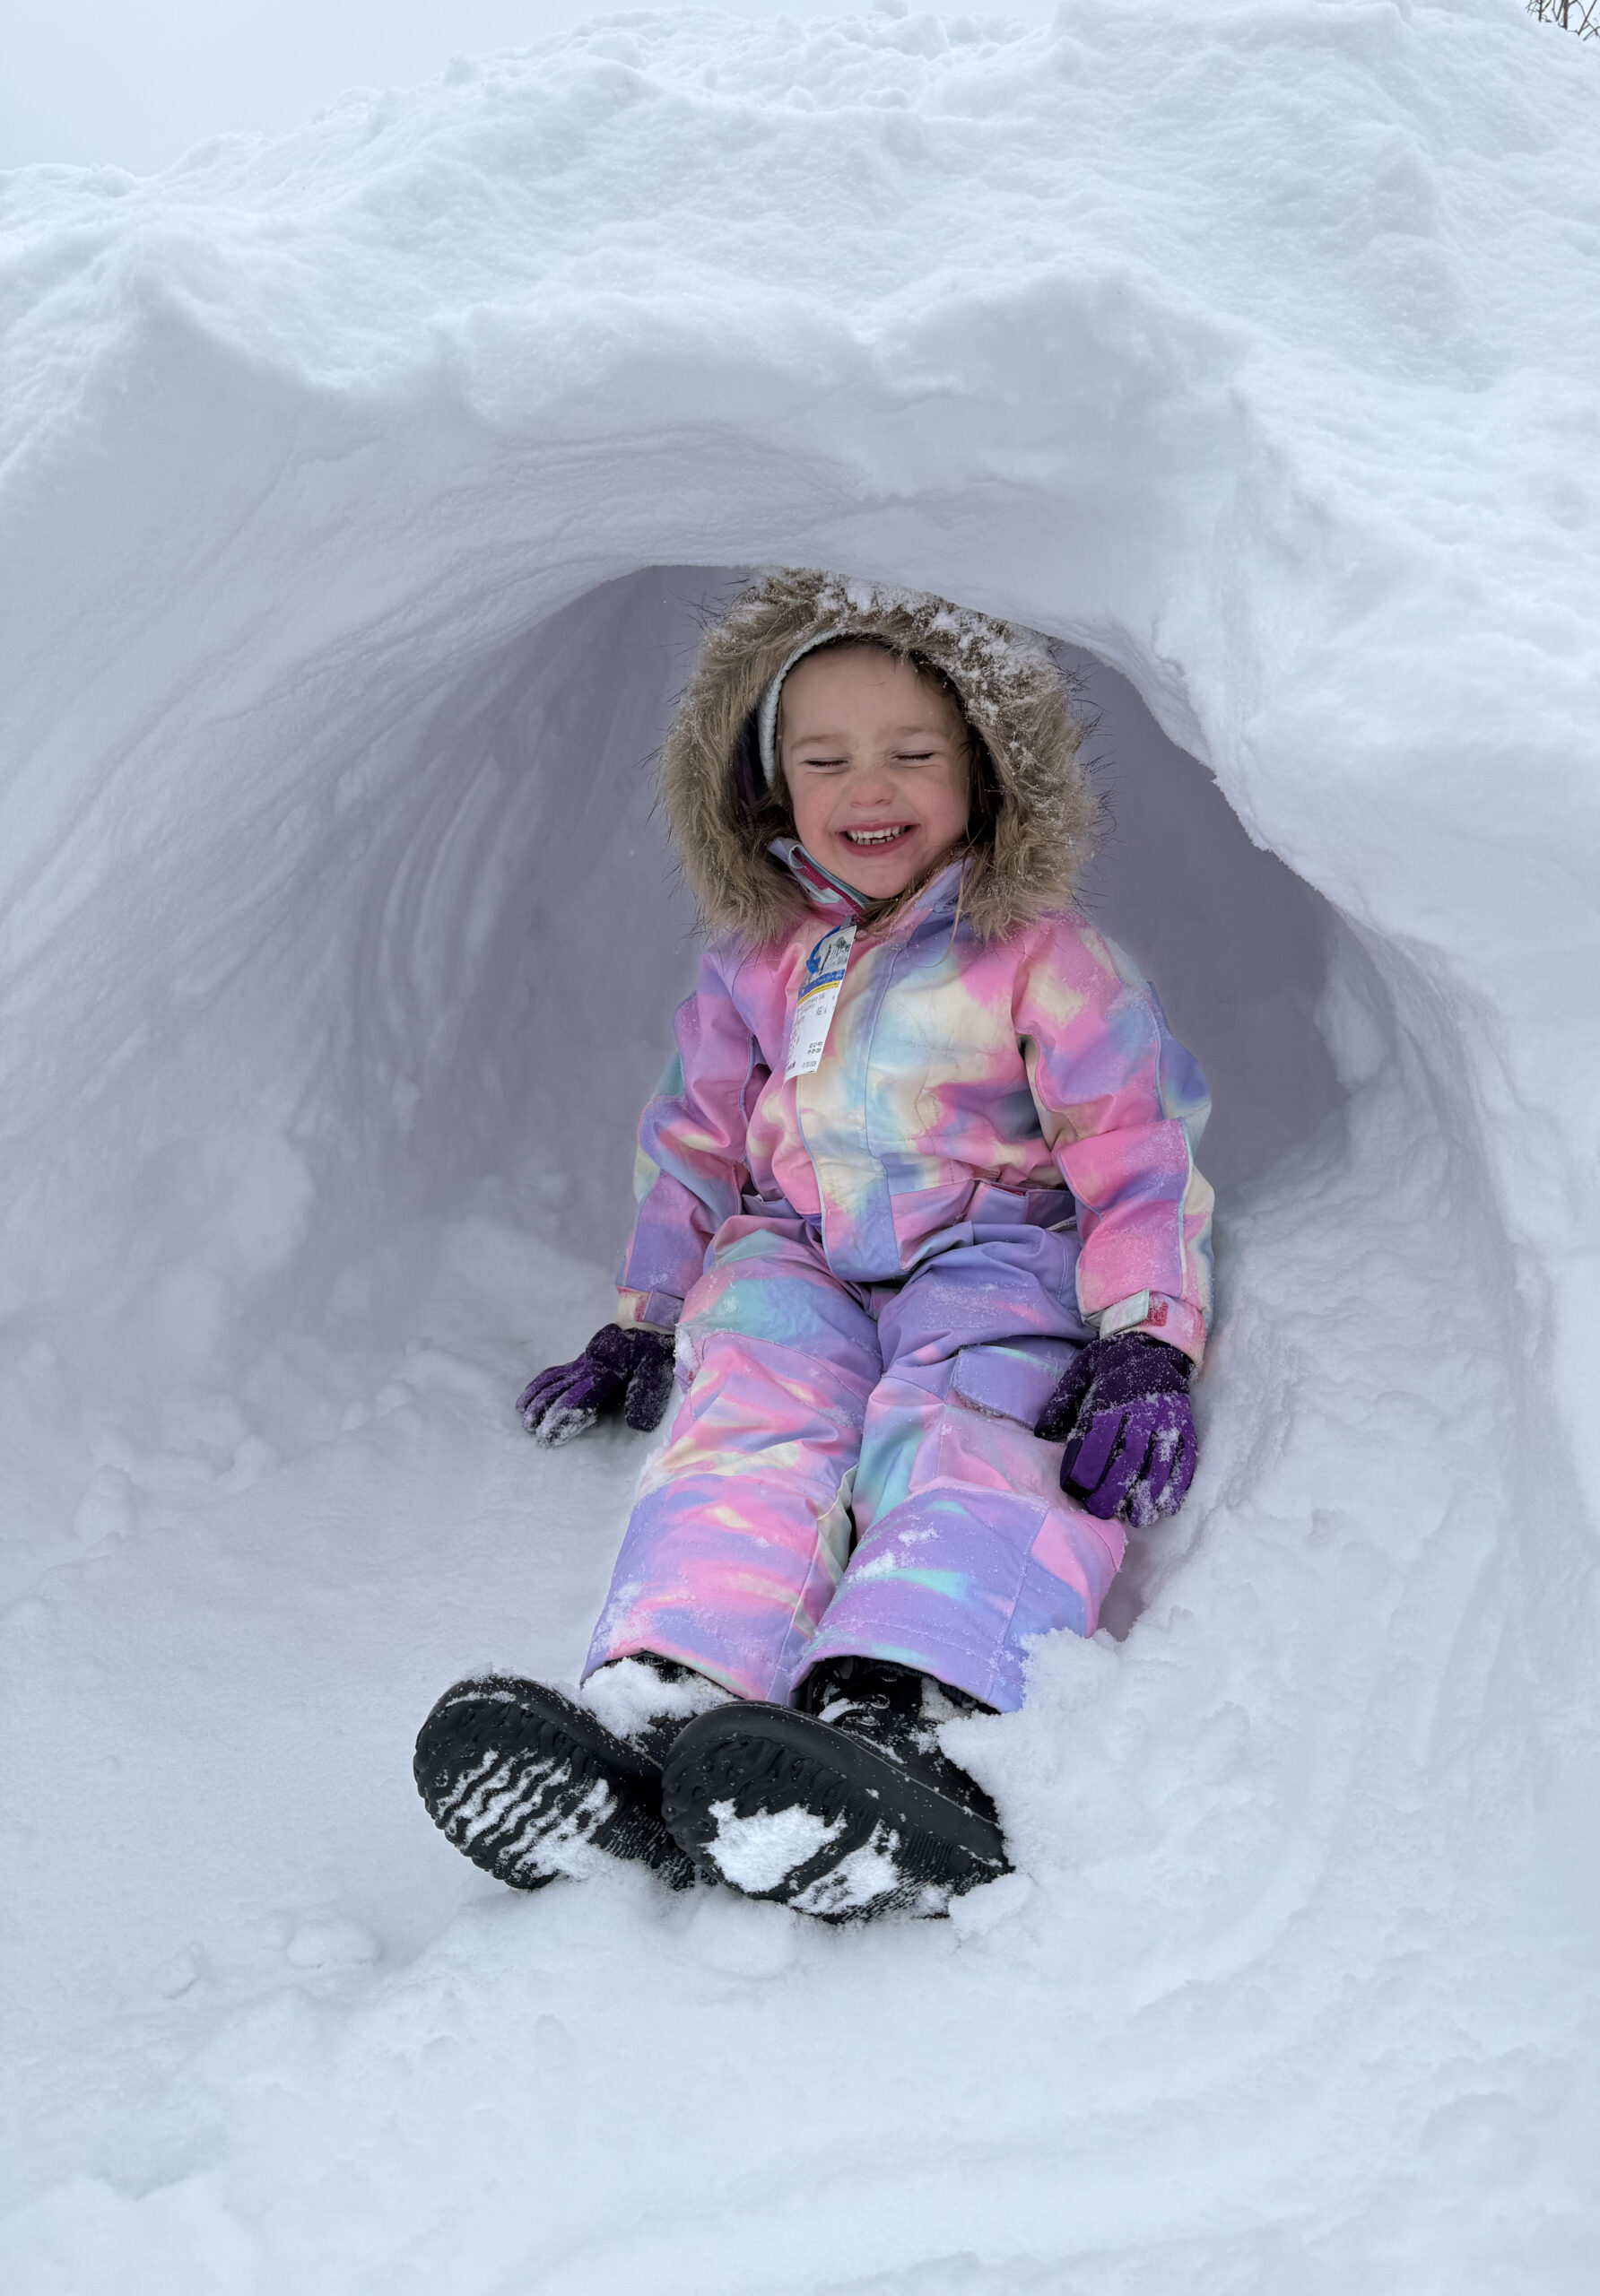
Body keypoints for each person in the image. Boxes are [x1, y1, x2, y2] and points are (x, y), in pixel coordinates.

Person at [413, 570, 1214, 1921]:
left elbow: (1137, 1145)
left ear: (986, 770)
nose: (869, 788)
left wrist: (1147, 1335)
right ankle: (673, 1698)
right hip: (801, 1248)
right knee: (747, 1411)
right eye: (825, 759)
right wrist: (647, 1315)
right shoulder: (757, 957)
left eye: (914, 754)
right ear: (769, 785)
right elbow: (695, 1135)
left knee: (972, 1424)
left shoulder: (1044, 956)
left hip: (996, 1251)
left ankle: (912, 1707)